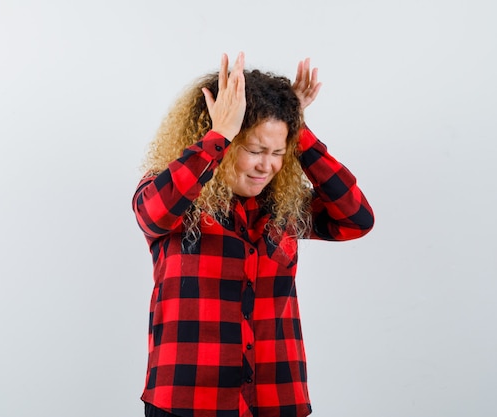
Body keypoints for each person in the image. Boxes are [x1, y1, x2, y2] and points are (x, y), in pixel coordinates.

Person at [132, 52, 374, 417]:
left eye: (278, 152)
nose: (268, 165)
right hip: (189, 401)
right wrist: (219, 134)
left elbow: (356, 218)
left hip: (275, 399)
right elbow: (154, 213)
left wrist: (296, 128)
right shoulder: (172, 194)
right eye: (255, 150)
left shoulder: (283, 207)